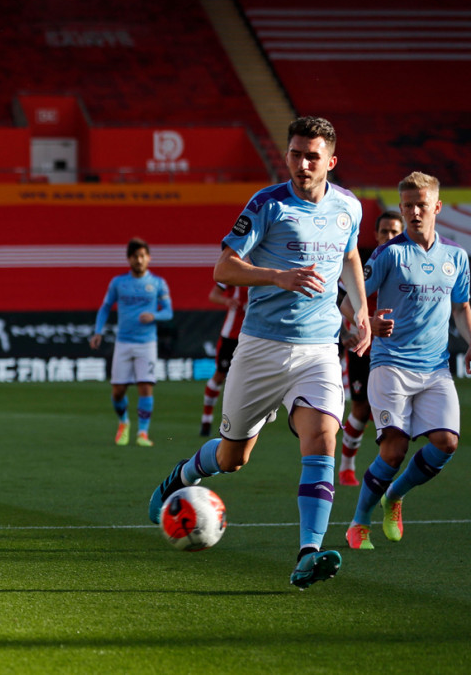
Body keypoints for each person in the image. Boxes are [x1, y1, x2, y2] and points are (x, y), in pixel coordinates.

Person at [147, 116, 370, 589]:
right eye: (295, 153)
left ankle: (308, 552)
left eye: (312, 156)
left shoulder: (349, 207)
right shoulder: (268, 204)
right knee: (233, 459)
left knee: (322, 440)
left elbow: (350, 255)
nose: (302, 163)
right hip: (262, 347)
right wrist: (275, 275)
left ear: (331, 161)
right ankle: (183, 475)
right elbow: (222, 268)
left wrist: (361, 313)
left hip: (319, 350)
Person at [345, 172, 470, 550]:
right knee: (394, 450)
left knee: (446, 443)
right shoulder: (389, 253)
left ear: (436, 207)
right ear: (400, 208)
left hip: (435, 368)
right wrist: (366, 322)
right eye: (407, 206)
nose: (414, 212)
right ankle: (359, 520)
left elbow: (462, 307)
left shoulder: (456, 257)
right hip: (391, 364)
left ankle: (394, 496)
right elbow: (350, 300)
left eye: (421, 205)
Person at [337, 210, 404, 486]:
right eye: (384, 232)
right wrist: (348, 329)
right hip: (365, 348)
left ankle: (383, 472)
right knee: (362, 409)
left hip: (399, 351)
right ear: (376, 235)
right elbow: (340, 297)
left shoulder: (412, 267)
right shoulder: (366, 267)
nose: (389, 236)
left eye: (394, 232)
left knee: (393, 412)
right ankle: (346, 467)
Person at [90, 237, 173, 447]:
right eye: (135, 256)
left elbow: (169, 312)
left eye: (143, 256)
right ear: (129, 259)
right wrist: (98, 331)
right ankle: (123, 422)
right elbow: (105, 307)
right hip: (124, 342)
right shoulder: (119, 283)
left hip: (147, 343)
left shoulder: (157, 283)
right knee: (118, 391)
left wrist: (154, 315)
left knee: (145, 387)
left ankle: (142, 433)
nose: (139, 260)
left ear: (149, 258)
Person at [199, 282, 247, 437]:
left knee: (247, 380)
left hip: (254, 336)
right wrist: (226, 301)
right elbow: (213, 295)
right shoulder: (237, 268)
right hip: (231, 336)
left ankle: (239, 425)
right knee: (220, 376)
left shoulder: (268, 270)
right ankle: (206, 419)